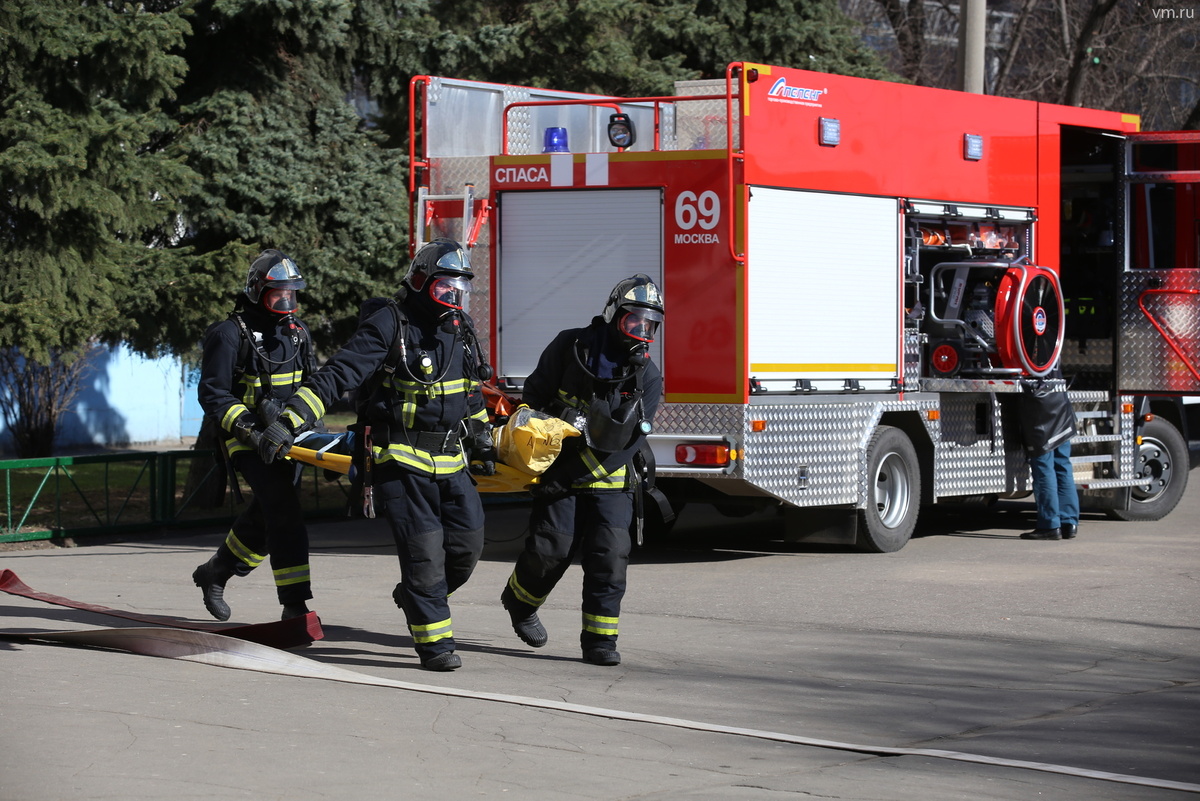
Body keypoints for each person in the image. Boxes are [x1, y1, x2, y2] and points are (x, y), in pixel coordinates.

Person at [258, 239, 495, 671]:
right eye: (445, 290)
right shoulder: (391, 323)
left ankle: (414, 597)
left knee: (467, 546)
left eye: (458, 292)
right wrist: (288, 422)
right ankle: (435, 645)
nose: (452, 299)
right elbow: (338, 373)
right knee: (424, 554)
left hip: (450, 460)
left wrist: (481, 434)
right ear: (421, 282)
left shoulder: (459, 328)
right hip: (400, 459)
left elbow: (469, 388)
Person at [500, 273, 664, 666]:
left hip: (608, 478)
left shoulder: (648, 377)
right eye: (633, 321)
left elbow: (627, 446)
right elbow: (534, 398)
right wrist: (545, 430)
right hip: (557, 470)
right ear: (614, 316)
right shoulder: (569, 347)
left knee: (609, 557)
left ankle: (599, 642)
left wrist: (567, 477)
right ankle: (520, 602)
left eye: (650, 325)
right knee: (550, 550)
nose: (641, 332)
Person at [192, 249, 316, 621]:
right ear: (257, 290)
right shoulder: (229, 333)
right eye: (278, 293)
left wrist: (315, 432)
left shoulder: (297, 334)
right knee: (285, 513)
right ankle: (294, 606)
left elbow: (312, 384)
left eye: (292, 293)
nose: (287, 300)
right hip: (246, 438)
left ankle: (216, 571)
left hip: (291, 437)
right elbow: (213, 394)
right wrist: (248, 429)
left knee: (268, 512)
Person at [1018, 363, 1080, 541]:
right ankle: (1068, 522)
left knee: (1043, 466)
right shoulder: (1052, 342)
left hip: (1039, 403)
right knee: (1062, 464)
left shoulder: (1028, 345)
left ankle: (1049, 525)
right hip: (1059, 400)